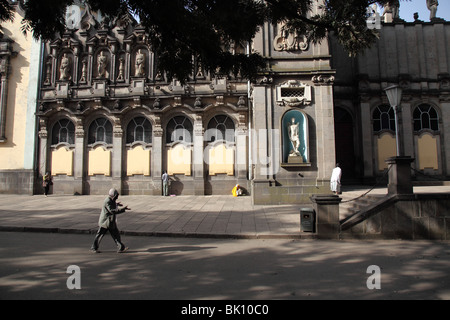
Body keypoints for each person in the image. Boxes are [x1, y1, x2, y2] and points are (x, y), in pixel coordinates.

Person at [90, 188, 131, 253]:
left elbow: (112, 205)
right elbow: (112, 211)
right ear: (113, 195)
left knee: (116, 235)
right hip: (105, 222)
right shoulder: (107, 201)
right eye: (116, 196)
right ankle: (94, 248)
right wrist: (123, 209)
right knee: (100, 235)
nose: (117, 198)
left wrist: (117, 204)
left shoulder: (111, 200)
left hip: (110, 222)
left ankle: (121, 248)